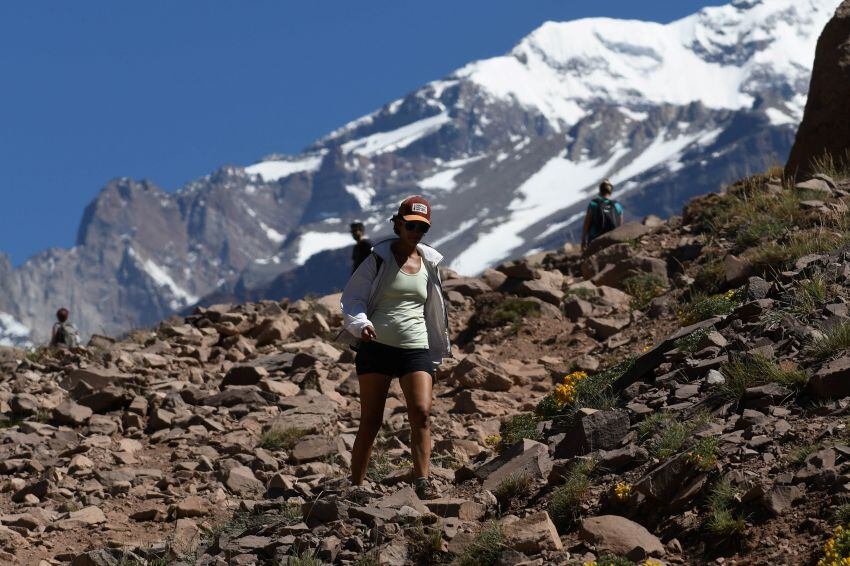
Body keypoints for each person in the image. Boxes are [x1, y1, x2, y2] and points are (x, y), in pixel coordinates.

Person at [340, 195, 451, 500]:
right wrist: (360, 323)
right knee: (372, 420)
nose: (416, 232)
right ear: (399, 224)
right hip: (376, 347)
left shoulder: (429, 262)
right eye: (412, 225)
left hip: (416, 348)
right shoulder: (378, 258)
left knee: (421, 412)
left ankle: (423, 481)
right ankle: (356, 485)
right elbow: (353, 297)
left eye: (422, 228)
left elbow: (432, 307)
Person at [581, 179, 624, 252]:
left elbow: (587, 222)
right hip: (611, 238)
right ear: (610, 192)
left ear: (600, 191)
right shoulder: (617, 205)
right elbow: (620, 225)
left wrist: (583, 238)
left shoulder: (593, 204)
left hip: (594, 238)